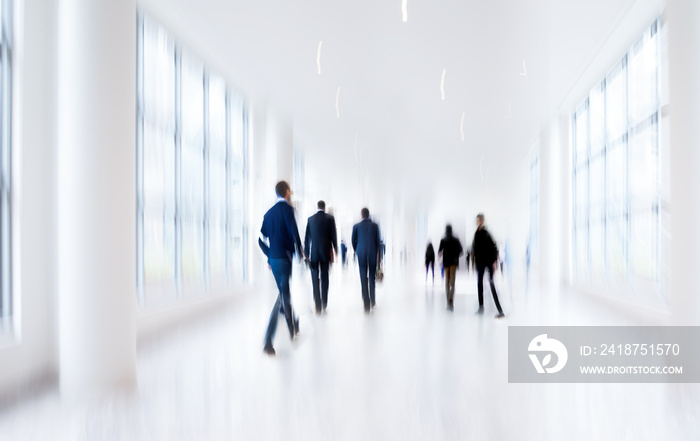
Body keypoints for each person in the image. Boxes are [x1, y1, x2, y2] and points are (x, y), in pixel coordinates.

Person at [259, 181, 304, 356]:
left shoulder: (268, 214)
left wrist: (269, 256)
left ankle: (295, 324)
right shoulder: (288, 210)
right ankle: (268, 341)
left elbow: (261, 239)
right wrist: (300, 254)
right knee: (282, 297)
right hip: (285, 260)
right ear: (286, 192)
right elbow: (294, 233)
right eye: (289, 192)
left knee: (283, 293)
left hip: (274, 261)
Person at [304, 200, 338, 314]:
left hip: (314, 253)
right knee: (325, 278)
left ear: (317, 207)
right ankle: (324, 303)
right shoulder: (330, 218)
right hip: (325, 253)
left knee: (314, 279)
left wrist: (306, 253)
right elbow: (333, 235)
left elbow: (307, 238)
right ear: (324, 207)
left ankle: (317, 305)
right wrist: (336, 250)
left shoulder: (310, 219)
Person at [472, 213, 505, 318]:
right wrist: (474, 261)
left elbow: (494, 247)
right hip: (480, 263)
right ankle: (481, 306)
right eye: (478, 220)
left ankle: (500, 310)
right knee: (479, 284)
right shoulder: (476, 234)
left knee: (491, 284)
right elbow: (475, 249)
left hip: (488, 262)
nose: (479, 222)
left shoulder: (487, 234)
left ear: (483, 221)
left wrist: (494, 262)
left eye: (480, 220)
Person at [351, 208, 381, 313]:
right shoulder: (375, 226)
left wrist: (357, 250)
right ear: (368, 215)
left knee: (363, 278)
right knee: (372, 278)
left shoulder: (356, 226)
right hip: (373, 254)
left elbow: (352, 240)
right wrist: (379, 257)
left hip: (361, 254)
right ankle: (373, 301)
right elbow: (378, 243)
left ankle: (366, 304)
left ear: (361, 215)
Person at [438, 225, 463, 311]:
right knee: (452, 282)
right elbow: (461, 251)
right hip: (453, 263)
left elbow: (439, 251)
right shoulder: (456, 240)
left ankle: (448, 300)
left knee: (447, 282)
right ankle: (451, 299)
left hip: (446, 263)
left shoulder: (443, 240)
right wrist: (455, 255)